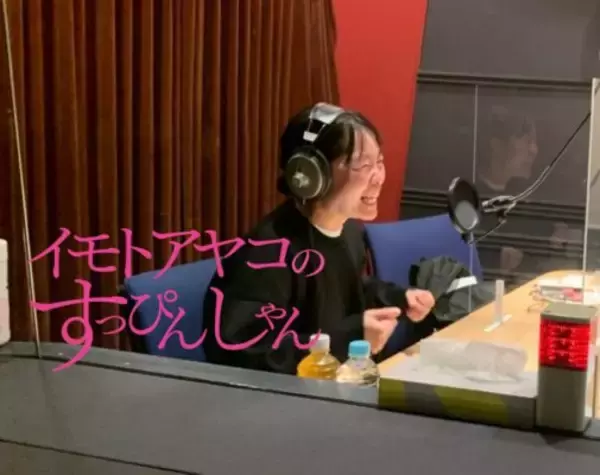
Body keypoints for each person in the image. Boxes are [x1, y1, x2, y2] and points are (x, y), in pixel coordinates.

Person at [201, 103, 436, 374]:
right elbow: (242, 349)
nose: (378, 178)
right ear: (312, 174)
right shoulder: (267, 252)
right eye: (363, 165)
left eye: (379, 163)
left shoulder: (348, 232)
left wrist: (398, 298)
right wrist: (347, 338)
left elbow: (348, 289)